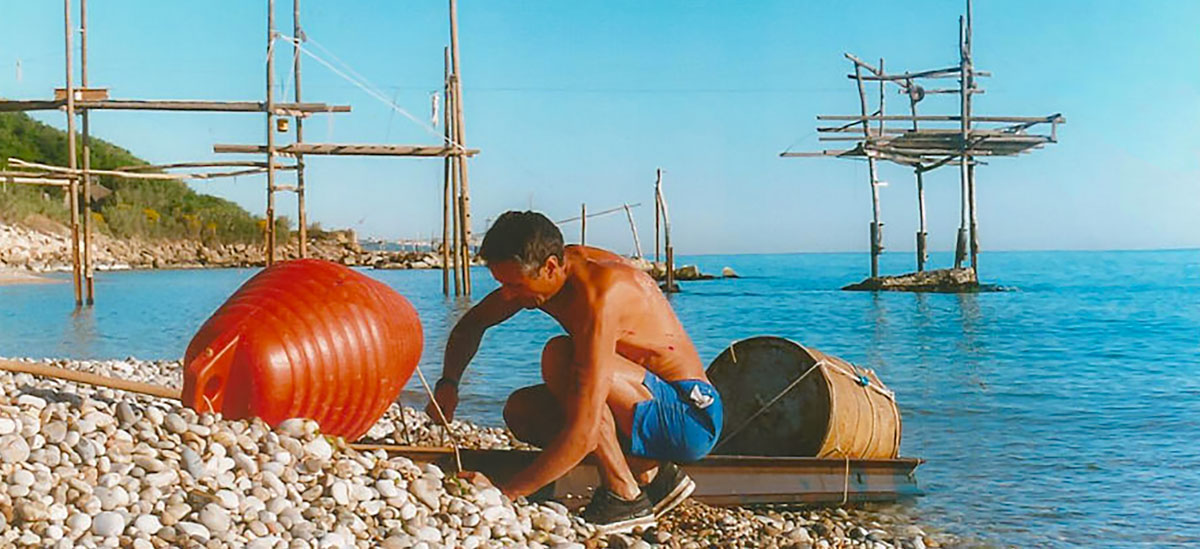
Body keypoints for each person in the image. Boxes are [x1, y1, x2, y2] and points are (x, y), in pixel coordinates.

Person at [426, 210, 723, 534]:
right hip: (642, 400)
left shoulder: (601, 295)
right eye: (502, 284)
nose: (507, 295)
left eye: (513, 285)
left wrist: (504, 494)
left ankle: (625, 496)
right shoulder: (545, 272)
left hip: (690, 416)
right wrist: (448, 384)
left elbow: (584, 430)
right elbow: (472, 325)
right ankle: (653, 476)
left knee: (561, 356)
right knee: (522, 411)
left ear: (550, 267)